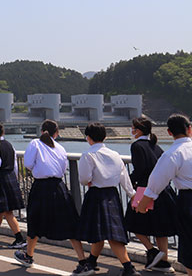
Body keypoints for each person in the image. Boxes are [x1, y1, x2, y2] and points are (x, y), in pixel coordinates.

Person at [14, 120, 92, 276]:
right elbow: (64, 168)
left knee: (35, 221)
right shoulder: (61, 148)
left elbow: (28, 164)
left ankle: (29, 256)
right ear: (56, 133)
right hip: (59, 186)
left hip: (41, 187)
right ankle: (83, 261)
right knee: (70, 223)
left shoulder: (35, 143)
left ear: (42, 131)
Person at [75, 122, 139, 276]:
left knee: (108, 234)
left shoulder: (88, 155)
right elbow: (124, 178)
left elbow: (84, 179)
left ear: (88, 138)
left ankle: (128, 267)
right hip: (112, 195)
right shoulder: (115, 154)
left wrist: (89, 181)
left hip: (96, 195)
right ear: (104, 137)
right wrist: (133, 196)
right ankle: (91, 262)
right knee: (104, 232)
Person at [137, 113, 192, 276]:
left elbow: (155, 183)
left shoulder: (172, 153)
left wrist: (142, 204)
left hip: (188, 200)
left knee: (190, 243)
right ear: (189, 129)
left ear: (169, 132)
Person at [124, 116, 176, 273]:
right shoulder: (156, 146)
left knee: (131, 223)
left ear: (138, 130)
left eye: (133, 128)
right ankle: (164, 263)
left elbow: (140, 170)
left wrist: (128, 181)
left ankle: (151, 251)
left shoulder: (137, 146)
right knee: (161, 229)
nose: (132, 131)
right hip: (164, 191)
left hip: (145, 191)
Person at [0, 121, 26, 249]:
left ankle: (19, 237)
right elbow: (14, 165)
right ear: (3, 132)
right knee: (0, 209)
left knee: (7, 211)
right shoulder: (9, 145)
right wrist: (15, 177)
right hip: (10, 177)